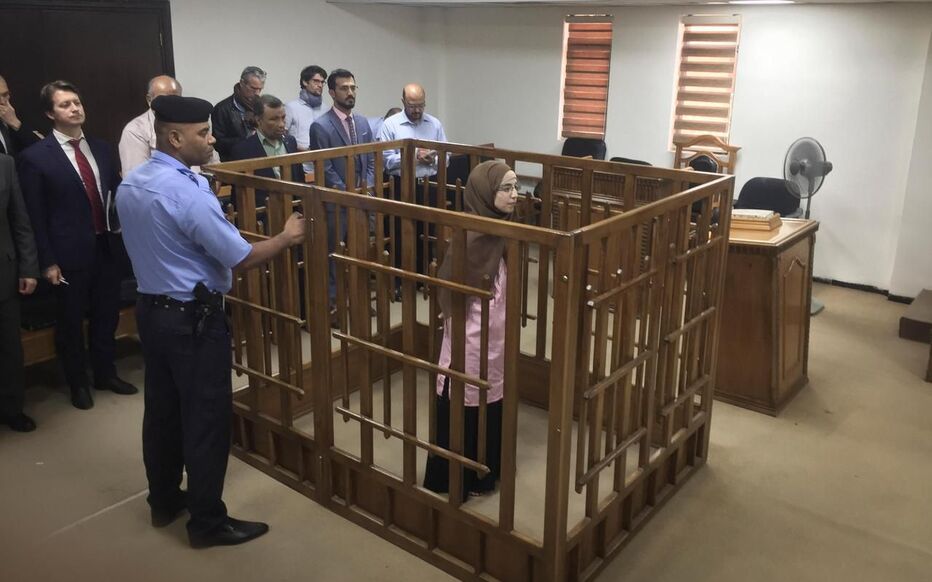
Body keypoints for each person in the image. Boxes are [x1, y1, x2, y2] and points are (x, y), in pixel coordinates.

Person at [117, 94, 306, 548]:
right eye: (202, 133)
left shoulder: (133, 182)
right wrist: (286, 237)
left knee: (162, 413)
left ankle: (164, 500)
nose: (212, 139)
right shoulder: (187, 192)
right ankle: (207, 522)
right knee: (205, 419)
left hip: (152, 311)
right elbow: (239, 256)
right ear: (174, 138)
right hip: (193, 320)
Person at [18, 80, 136, 411]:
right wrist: (47, 261)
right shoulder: (35, 158)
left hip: (106, 246)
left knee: (106, 315)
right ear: (49, 113)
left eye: (77, 102)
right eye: (65, 104)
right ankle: (78, 383)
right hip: (67, 254)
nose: (74, 109)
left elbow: (114, 195)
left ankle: (105, 373)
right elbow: (35, 216)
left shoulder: (101, 148)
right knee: (70, 323)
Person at [422, 160, 519, 501]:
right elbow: (450, 289)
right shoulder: (471, 236)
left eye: (516, 187)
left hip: (496, 334)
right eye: (505, 188)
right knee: (465, 393)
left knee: (491, 392)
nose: (514, 195)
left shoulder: (504, 229)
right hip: (470, 333)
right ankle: (455, 478)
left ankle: (484, 474)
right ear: (484, 193)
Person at [308, 68, 375, 314]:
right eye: (344, 88)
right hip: (337, 203)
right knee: (334, 256)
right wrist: (348, 193)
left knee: (362, 253)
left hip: (362, 198)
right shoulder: (321, 126)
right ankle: (335, 306)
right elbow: (324, 167)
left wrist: (366, 187)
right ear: (332, 92)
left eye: (353, 87)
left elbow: (370, 160)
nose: (350, 92)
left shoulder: (363, 122)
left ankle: (360, 301)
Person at [377, 84, 448, 288]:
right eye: (412, 106)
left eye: (420, 105)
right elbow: (385, 160)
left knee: (427, 231)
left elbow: (447, 156)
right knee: (401, 232)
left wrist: (433, 159)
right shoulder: (390, 125)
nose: (417, 110)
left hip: (428, 184)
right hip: (401, 185)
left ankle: (424, 277)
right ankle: (401, 280)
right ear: (403, 102)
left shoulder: (434, 124)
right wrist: (413, 156)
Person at [0, 153, 39, 432]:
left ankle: (11, 408)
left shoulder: (5, 164)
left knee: (9, 348)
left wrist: (28, 268)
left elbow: (20, 221)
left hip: (4, 272)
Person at [230, 94, 305, 209]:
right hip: (263, 214)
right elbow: (239, 198)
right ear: (258, 120)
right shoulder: (242, 150)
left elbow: (299, 181)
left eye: (283, 118)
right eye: (274, 119)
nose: (281, 124)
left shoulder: (291, 142)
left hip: (293, 210)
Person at [118, 75, 182, 174]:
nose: (171, 103)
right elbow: (137, 178)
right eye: (164, 99)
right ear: (149, 100)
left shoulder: (188, 122)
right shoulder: (135, 130)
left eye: (175, 98)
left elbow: (205, 164)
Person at [211, 66, 266, 161]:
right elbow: (218, 143)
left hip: (262, 161)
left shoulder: (262, 107)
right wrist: (247, 139)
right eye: (253, 88)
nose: (257, 93)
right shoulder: (222, 109)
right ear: (242, 83)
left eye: (260, 89)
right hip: (235, 163)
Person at [284, 65, 328, 152]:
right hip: (298, 158)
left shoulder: (326, 109)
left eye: (322, 82)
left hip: (323, 157)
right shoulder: (290, 107)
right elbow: (282, 137)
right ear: (305, 82)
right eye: (316, 81)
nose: (320, 85)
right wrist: (302, 150)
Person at [0, 75, 39, 156]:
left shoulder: (17, 114)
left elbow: (41, 149)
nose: (2, 102)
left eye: (5, 95)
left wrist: (15, 123)